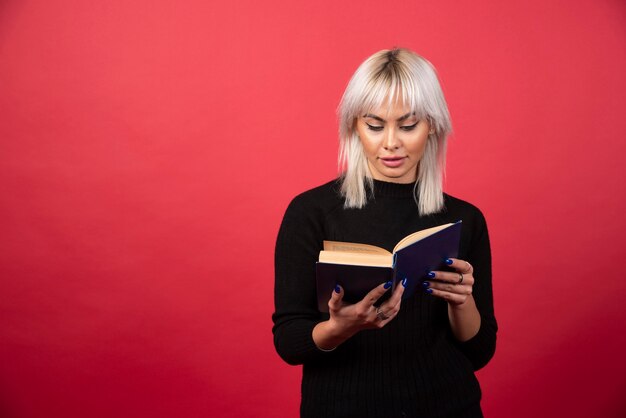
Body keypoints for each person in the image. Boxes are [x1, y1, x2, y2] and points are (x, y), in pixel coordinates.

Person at [272, 48, 497, 418]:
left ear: (433, 125)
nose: (391, 142)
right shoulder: (311, 213)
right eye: (374, 125)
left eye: (408, 126)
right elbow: (289, 342)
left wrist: (462, 301)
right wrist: (340, 328)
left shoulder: (464, 218)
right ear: (354, 127)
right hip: (340, 408)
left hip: (448, 407)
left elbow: (480, 352)